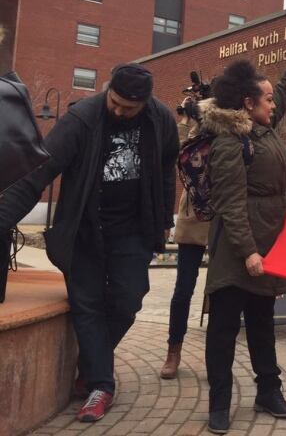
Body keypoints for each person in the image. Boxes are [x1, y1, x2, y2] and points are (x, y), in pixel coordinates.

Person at [0, 64, 179, 422]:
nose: (118, 111)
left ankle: (92, 361)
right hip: (84, 228)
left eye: (128, 108)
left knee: (128, 301)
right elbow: (38, 173)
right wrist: (4, 214)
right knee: (88, 304)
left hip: (132, 230)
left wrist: (162, 224)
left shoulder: (160, 119)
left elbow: (166, 169)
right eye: (114, 102)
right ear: (108, 90)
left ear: (144, 102)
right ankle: (101, 386)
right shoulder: (82, 118)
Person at [201, 57, 286, 434]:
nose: (274, 105)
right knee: (224, 329)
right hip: (237, 253)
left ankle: (268, 391)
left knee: (262, 324)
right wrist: (248, 252)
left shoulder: (260, 128)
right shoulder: (230, 141)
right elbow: (230, 203)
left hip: (265, 245)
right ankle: (218, 404)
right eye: (268, 100)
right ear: (248, 103)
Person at [159, 95, 211, 379]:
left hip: (220, 217)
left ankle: (215, 354)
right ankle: (173, 350)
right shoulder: (190, 134)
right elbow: (175, 155)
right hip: (193, 216)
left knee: (219, 291)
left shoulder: (225, 131)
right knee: (183, 291)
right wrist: (187, 116)